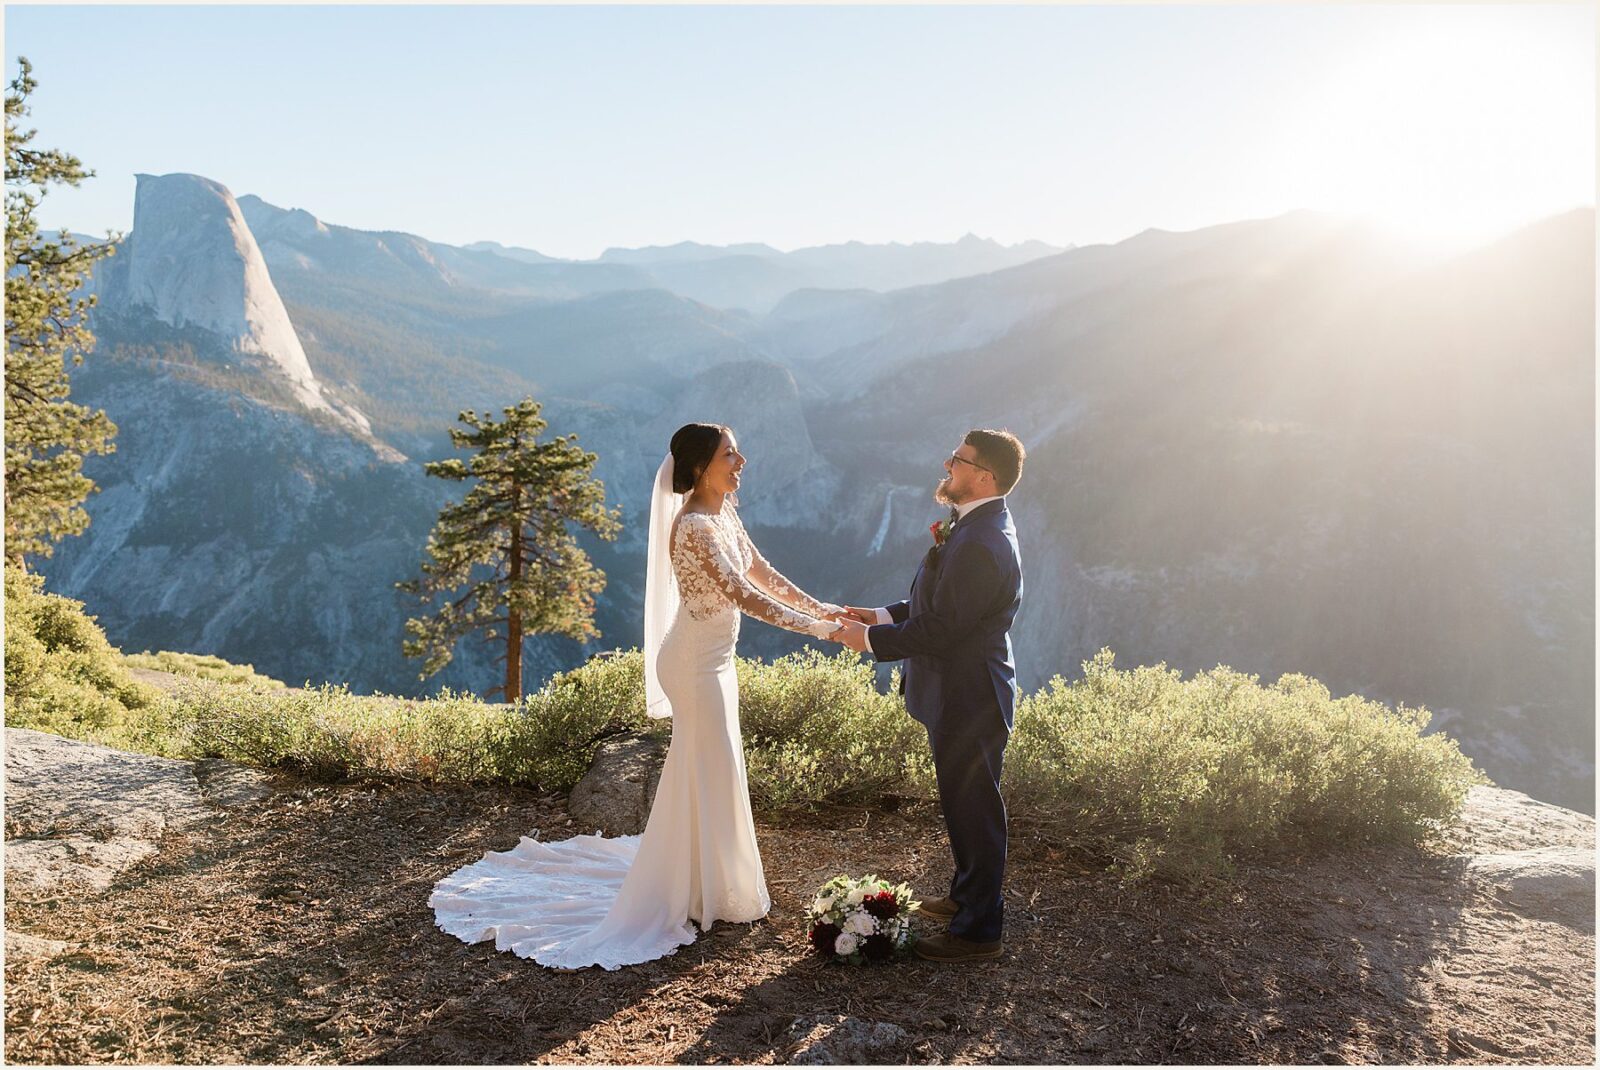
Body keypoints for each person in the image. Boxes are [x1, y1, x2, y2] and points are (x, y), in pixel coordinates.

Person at [429, 423, 846, 969]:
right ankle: (691, 888)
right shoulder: (694, 526)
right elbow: (742, 594)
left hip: (716, 662)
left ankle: (707, 884)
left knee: (714, 767)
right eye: (729, 453)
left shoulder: (723, 511)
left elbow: (761, 571)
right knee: (709, 764)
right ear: (699, 467)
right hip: (693, 666)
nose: (741, 460)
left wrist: (822, 608)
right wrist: (820, 632)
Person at [834, 428, 1025, 963]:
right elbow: (939, 602)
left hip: (971, 696)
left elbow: (943, 628)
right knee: (963, 805)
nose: (947, 464)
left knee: (976, 811)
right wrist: (881, 616)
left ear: (983, 476)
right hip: (960, 692)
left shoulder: (983, 542)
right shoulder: (976, 524)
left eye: (957, 460)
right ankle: (966, 898)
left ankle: (978, 934)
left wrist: (870, 641)